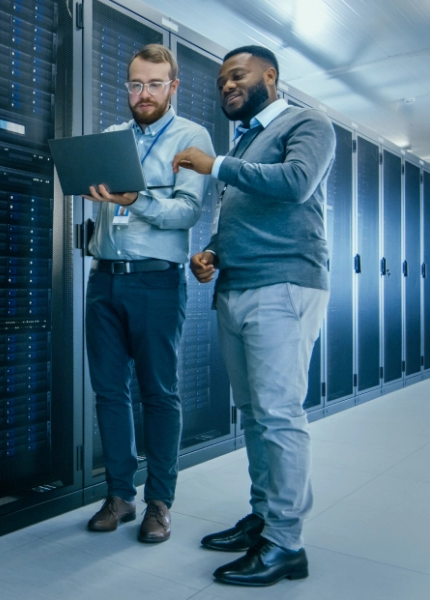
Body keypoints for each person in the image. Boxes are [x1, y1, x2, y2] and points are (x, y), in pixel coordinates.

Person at [172, 45, 335, 584]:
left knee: (280, 414)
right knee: (256, 413)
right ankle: (265, 519)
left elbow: (295, 183)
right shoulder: (245, 142)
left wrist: (215, 164)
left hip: (283, 284)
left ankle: (287, 543)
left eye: (236, 76)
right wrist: (213, 251)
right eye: (221, 82)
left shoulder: (307, 122)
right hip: (238, 286)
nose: (226, 87)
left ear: (270, 75)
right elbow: (238, 213)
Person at [84, 44, 214, 543]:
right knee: (108, 392)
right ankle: (120, 494)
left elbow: (186, 213)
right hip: (105, 277)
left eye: (155, 84)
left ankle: (160, 501)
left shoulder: (190, 137)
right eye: (136, 84)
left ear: (173, 86)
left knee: (159, 393)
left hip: (157, 281)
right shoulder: (113, 138)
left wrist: (134, 200)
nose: (144, 94)